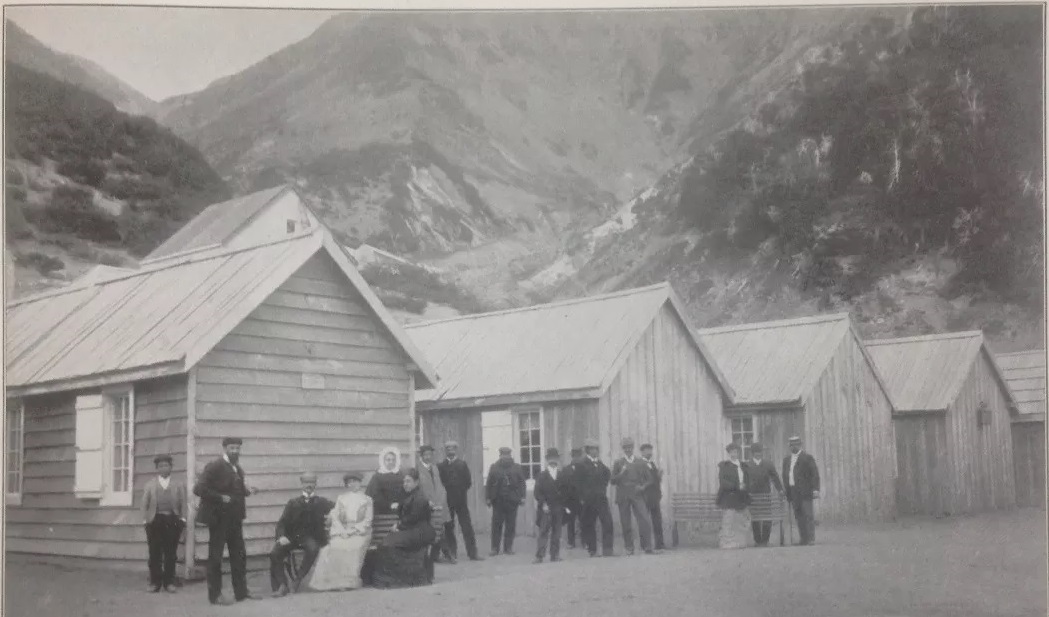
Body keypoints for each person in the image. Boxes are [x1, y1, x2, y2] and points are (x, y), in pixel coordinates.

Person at [194, 437, 259, 606]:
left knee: (239, 555)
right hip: (218, 518)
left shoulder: (237, 468)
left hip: (235, 518)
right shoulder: (214, 466)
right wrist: (220, 498)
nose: (235, 451)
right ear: (224, 448)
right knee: (215, 557)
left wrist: (248, 491)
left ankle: (241, 593)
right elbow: (199, 488)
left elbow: (235, 489)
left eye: (237, 448)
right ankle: (215, 596)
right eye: (232, 448)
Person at [269, 472, 335, 597]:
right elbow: (282, 522)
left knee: (313, 548)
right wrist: (281, 536)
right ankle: (282, 585)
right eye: (306, 483)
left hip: (311, 537)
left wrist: (332, 514)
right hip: (292, 537)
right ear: (302, 484)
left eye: (311, 482)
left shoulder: (322, 502)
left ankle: (297, 579)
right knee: (275, 553)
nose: (308, 485)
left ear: (315, 484)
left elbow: (339, 507)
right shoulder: (293, 502)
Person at [308, 472, 373, 592]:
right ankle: (331, 582)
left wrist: (352, 531)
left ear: (360, 482)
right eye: (350, 482)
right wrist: (343, 531)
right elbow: (335, 517)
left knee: (351, 547)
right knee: (332, 547)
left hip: (360, 532)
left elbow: (368, 520)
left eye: (355, 481)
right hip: (343, 530)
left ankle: (347, 582)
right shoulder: (341, 498)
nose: (353, 484)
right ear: (347, 485)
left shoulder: (367, 500)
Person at [373, 469, 437, 588]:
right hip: (412, 529)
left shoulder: (420, 497)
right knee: (386, 542)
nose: (405, 484)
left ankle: (402, 579)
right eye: (404, 482)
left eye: (408, 481)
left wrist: (398, 526)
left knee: (388, 543)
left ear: (416, 482)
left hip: (421, 532)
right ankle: (397, 577)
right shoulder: (409, 495)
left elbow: (413, 517)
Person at [141, 454, 186, 593]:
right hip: (155, 521)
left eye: (166, 465)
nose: (164, 468)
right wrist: (146, 520)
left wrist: (182, 519)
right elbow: (144, 504)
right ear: (156, 468)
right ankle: (155, 582)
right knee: (154, 552)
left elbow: (184, 502)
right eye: (160, 466)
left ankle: (169, 582)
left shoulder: (178, 484)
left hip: (172, 520)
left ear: (171, 467)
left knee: (170, 553)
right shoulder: (150, 485)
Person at [438, 440, 482, 561]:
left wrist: (459, 491)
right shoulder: (441, 466)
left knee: (466, 526)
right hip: (447, 501)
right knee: (448, 527)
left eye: (452, 448)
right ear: (445, 451)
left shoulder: (462, 465)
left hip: (461, 501)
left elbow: (468, 482)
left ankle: (473, 553)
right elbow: (439, 483)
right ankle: (452, 552)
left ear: (456, 450)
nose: (450, 451)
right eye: (447, 449)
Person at [611, 437, 655, 555]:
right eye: (626, 448)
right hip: (623, 495)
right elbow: (612, 481)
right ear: (623, 449)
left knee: (645, 519)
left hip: (637, 494)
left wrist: (643, 487)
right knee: (625, 522)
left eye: (630, 447)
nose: (628, 449)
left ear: (633, 448)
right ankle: (629, 548)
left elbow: (650, 479)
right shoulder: (618, 463)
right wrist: (621, 473)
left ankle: (647, 546)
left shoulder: (640, 462)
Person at [485, 446, 526, 556]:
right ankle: (495, 548)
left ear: (510, 455)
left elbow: (522, 483)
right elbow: (488, 483)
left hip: (512, 501)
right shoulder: (494, 467)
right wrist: (488, 498)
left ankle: (508, 547)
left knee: (510, 525)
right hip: (497, 501)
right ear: (500, 456)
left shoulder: (517, 467)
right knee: (496, 525)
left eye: (507, 455)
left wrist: (523, 497)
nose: (505, 457)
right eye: (503, 455)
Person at [578, 438, 615, 557]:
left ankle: (608, 549)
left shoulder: (600, 464)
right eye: (593, 449)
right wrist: (583, 496)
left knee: (608, 522)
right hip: (588, 499)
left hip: (601, 498)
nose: (595, 451)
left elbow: (607, 475)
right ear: (588, 450)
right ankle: (592, 550)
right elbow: (578, 482)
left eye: (596, 449)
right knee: (589, 523)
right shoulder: (582, 464)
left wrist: (602, 488)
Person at [414, 445, 451, 566]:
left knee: (440, 528)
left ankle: (437, 555)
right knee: (429, 529)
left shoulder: (435, 468)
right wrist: (425, 501)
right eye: (425, 455)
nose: (428, 457)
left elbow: (439, 485)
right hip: (425, 505)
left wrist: (441, 498)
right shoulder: (417, 469)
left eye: (430, 455)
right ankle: (430, 555)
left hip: (438, 503)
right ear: (421, 456)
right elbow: (418, 489)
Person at [533, 448, 570, 564]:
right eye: (551, 458)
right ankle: (539, 556)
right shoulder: (541, 475)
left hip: (558, 507)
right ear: (547, 460)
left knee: (557, 532)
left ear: (558, 460)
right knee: (543, 531)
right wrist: (543, 504)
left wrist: (564, 505)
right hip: (546, 507)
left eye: (555, 458)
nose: (553, 461)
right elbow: (537, 492)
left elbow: (566, 491)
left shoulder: (562, 474)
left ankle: (555, 555)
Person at [782, 436, 820, 546]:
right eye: (792, 444)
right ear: (789, 446)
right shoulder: (787, 460)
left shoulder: (807, 458)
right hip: (793, 491)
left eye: (796, 444)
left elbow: (814, 474)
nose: (794, 446)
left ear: (800, 445)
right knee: (798, 516)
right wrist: (787, 490)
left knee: (808, 514)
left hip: (805, 491)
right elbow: (785, 475)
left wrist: (816, 489)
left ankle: (811, 538)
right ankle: (803, 539)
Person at [745, 442, 783, 547]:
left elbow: (775, 478)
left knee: (767, 517)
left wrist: (780, 489)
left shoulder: (768, 464)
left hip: (765, 495)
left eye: (760, 452)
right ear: (752, 453)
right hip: (753, 496)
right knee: (755, 518)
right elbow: (745, 481)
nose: (758, 454)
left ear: (762, 452)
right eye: (756, 453)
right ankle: (758, 540)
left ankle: (765, 540)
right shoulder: (748, 465)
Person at [716, 442, 751, 549]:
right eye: (731, 452)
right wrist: (736, 486)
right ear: (728, 453)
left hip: (741, 497)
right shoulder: (724, 466)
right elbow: (723, 482)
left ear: (738, 452)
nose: (733, 454)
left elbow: (748, 480)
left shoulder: (743, 465)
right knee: (729, 520)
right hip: (729, 497)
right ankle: (727, 543)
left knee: (742, 519)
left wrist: (745, 486)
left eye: (735, 452)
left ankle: (740, 542)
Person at [639, 443, 667, 551]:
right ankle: (644, 545)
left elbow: (656, 480)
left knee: (657, 521)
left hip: (654, 496)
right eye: (647, 450)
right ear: (642, 452)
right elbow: (642, 480)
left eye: (651, 450)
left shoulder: (652, 464)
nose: (650, 452)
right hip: (645, 496)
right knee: (644, 521)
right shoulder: (640, 464)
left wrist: (659, 476)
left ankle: (659, 544)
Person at [366, 446, 406, 515]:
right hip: (382, 511)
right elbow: (374, 495)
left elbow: (406, 492)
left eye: (393, 460)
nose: (391, 462)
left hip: (400, 509)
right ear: (383, 461)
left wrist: (400, 503)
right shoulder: (377, 476)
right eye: (388, 460)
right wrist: (389, 505)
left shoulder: (401, 475)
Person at [562, 448, 585, 549]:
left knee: (583, 520)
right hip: (570, 500)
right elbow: (563, 485)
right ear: (572, 456)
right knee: (570, 521)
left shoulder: (584, 468)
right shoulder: (566, 469)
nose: (576, 458)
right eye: (575, 456)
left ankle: (585, 542)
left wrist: (584, 498)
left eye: (578, 456)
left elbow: (586, 484)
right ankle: (571, 542)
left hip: (581, 500)